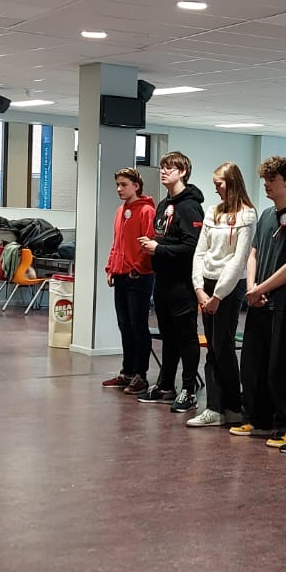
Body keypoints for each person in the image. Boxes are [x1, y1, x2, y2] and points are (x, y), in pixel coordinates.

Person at [232, 158, 286, 444]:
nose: (266, 185)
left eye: (272, 180)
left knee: (281, 366)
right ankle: (256, 418)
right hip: (258, 301)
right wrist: (252, 287)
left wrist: (261, 288)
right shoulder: (266, 215)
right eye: (265, 180)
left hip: (283, 303)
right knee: (253, 364)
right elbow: (253, 254)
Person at [186, 163, 257, 428]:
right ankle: (216, 408)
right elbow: (200, 252)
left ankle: (231, 406)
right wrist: (199, 288)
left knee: (223, 346)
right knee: (213, 349)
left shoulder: (247, 214)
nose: (216, 188)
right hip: (207, 284)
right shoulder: (212, 212)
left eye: (220, 184)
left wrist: (217, 296)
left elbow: (239, 259)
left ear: (232, 182)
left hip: (229, 286)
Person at [136, 152, 205, 412]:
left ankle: (189, 389)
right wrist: (154, 244)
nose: (164, 172)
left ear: (183, 172)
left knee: (186, 336)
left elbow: (192, 247)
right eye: (162, 168)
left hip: (182, 283)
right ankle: (166, 384)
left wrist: (160, 249)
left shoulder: (189, 206)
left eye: (170, 168)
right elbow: (165, 237)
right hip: (163, 280)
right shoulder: (164, 204)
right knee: (168, 336)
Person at [102, 167, 156, 395]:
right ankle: (127, 371)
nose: (119, 189)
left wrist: (137, 268)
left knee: (138, 325)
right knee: (124, 324)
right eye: (118, 184)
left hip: (139, 276)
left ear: (136, 186)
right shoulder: (119, 211)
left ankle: (140, 374)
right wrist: (110, 268)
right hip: (121, 274)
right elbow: (117, 243)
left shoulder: (146, 211)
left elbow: (148, 243)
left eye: (124, 184)